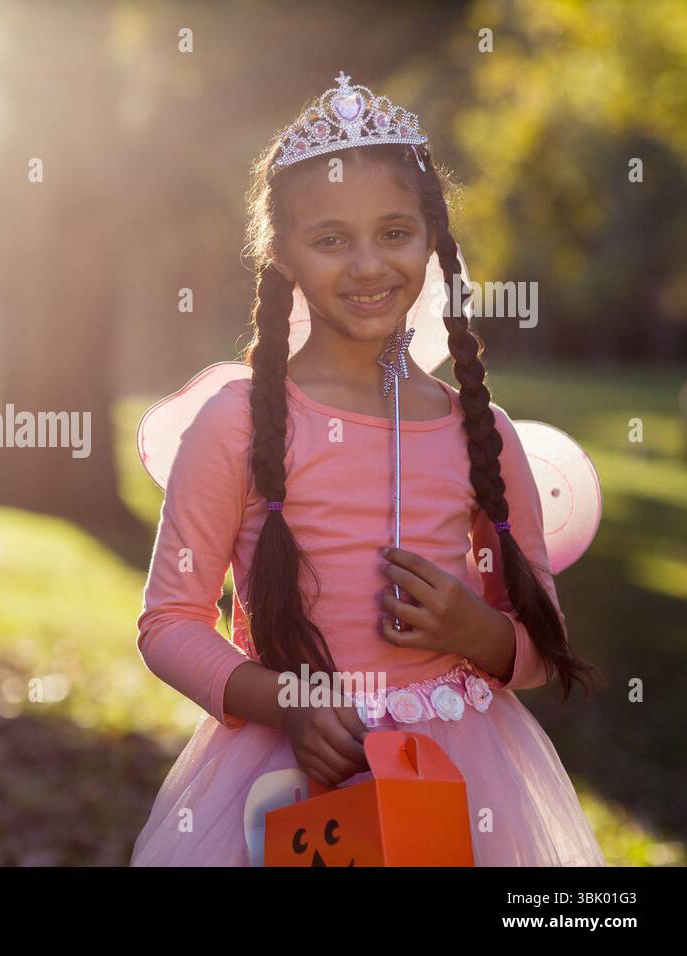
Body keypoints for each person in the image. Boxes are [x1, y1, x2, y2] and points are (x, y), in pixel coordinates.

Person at [130, 72, 605, 867]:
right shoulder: (237, 424)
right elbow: (169, 623)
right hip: (287, 769)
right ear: (281, 256)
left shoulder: (479, 435)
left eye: (394, 232)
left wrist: (477, 632)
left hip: (461, 776)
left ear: (433, 241)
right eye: (330, 239)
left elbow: (537, 646)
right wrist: (288, 704)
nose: (367, 265)